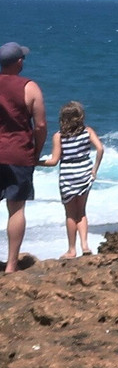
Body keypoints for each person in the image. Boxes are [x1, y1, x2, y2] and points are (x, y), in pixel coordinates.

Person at [0, 42, 47, 273]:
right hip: (18, 153)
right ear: (19, 62)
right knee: (16, 209)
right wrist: (36, 152)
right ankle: (11, 265)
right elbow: (40, 126)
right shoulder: (29, 87)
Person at [39, 101, 105, 258]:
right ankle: (85, 246)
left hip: (68, 177)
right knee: (81, 212)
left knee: (70, 214)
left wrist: (35, 162)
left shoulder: (58, 136)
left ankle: (71, 250)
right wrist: (94, 170)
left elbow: (54, 161)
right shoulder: (87, 131)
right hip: (84, 174)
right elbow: (100, 149)